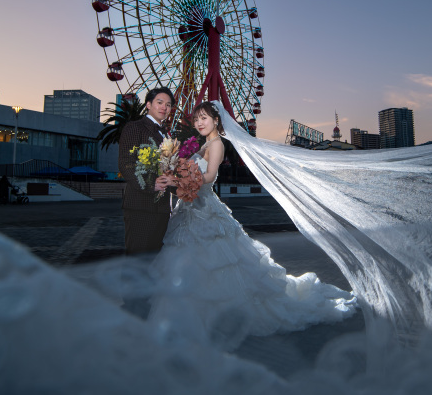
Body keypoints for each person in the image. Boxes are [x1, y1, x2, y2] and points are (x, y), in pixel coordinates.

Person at [149, 102, 356, 346]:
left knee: (212, 260)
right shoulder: (204, 144)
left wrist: (178, 178)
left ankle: (206, 316)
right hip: (192, 207)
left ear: (217, 120)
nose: (199, 123)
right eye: (196, 119)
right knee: (191, 260)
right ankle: (185, 315)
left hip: (204, 209)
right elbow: (196, 173)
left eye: (204, 118)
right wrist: (179, 175)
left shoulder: (216, 144)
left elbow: (210, 177)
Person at [118, 87, 176, 255]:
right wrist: (151, 185)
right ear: (149, 104)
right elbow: (125, 163)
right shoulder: (134, 128)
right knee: (137, 261)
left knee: (153, 261)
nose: (164, 107)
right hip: (140, 205)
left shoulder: (167, 136)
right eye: (159, 102)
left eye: (168, 104)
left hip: (163, 208)